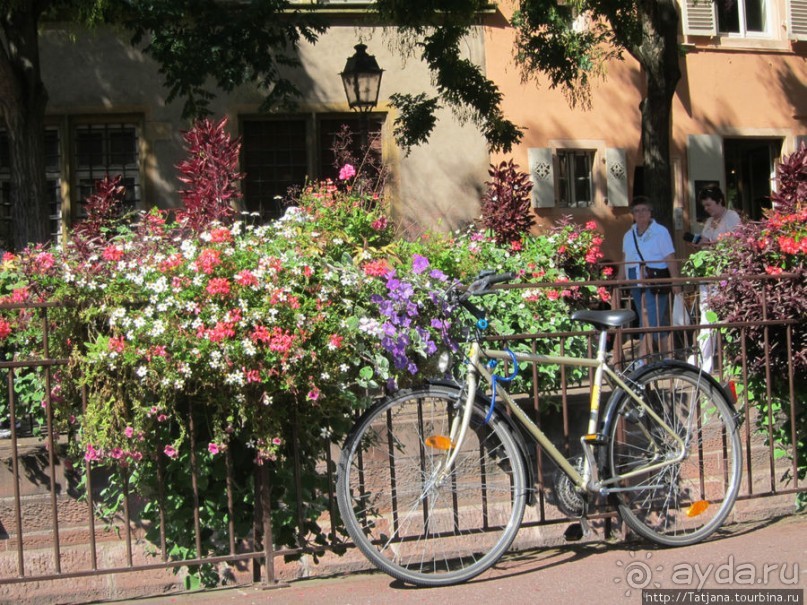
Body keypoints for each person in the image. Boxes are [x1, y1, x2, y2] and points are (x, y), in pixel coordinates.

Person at [619, 196, 680, 360]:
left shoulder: (660, 232)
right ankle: (667, 359)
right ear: (632, 214)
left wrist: (675, 281)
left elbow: (670, 257)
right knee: (653, 321)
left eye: (644, 210)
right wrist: (618, 282)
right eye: (637, 211)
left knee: (649, 321)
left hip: (655, 278)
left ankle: (642, 361)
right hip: (635, 278)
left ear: (650, 212)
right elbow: (625, 259)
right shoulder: (628, 235)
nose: (640, 214)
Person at [687, 185, 741, 372]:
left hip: (725, 273)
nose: (707, 209)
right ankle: (705, 363)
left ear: (719, 201)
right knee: (706, 316)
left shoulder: (732, 217)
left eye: (709, 205)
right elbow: (705, 240)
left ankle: (732, 363)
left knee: (727, 318)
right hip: (710, 273)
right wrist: (700, 244)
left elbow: (736, 241)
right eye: (705, 206)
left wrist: (711, 243)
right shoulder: (709, 221)